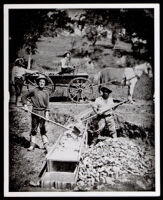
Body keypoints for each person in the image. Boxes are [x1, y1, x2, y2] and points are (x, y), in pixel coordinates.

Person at [21, 74, 50, 152]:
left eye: (43, 82)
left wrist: (47, 113)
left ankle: (46, 145)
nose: (41, 83)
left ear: (45, 83)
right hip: (35, 112)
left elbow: (47, 104)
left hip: (43, 112)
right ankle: (32, 145)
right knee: (34, 129)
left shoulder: (46, 92)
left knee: (43, 129)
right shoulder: (33, 90)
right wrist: (25, 105)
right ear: (38, 83)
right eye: (40, 82)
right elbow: (23, 96)